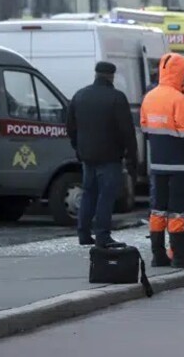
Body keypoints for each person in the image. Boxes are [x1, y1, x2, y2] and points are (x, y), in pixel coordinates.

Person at [140, 54, 184, 269]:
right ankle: (179, 255)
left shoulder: (149, 97)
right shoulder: (180, 100)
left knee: (157, 209)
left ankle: (158, 255)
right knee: (177, 210)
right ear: (182, 76)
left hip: (157, 163)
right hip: (179, 165)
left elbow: (145, 129)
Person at [67, 62, 138, 247]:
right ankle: (102, 235)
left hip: (87, 156)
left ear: (96, 74)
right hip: (110, 157)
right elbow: (127, 131)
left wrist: (78, 147)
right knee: (106, 196)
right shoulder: (116, 98)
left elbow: (70, 126)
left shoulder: (80, 95)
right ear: (111, 76)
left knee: (89, 193)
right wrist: (132, 156)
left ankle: (83, 233)